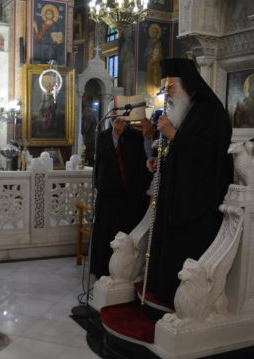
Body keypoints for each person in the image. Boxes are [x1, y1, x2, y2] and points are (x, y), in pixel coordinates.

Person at [144, 58, 233, 309]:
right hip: (176, 195)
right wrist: (160, 161)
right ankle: (163, 292)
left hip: (196, 202)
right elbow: (180, 151)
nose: (168, 95)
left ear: (186, 84)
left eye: (170, 88)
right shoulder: (186, 109)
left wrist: (174, 134)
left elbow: (209, 154)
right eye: (165, 89)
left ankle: (182, 300)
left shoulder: (210, 111)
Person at [89, 112, 153, 279]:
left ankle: (127, 275)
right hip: (109, 200)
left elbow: (146, 163)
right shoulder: (103, 136)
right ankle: (103, 273)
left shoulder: (137, 136)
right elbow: (103, 166)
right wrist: (115, 137)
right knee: (107, 240)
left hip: (131, 200)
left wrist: (147, 136)